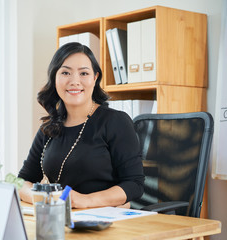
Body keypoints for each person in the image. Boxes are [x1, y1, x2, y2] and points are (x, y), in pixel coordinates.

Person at [18, 42, 144, 209]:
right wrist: (43, 198)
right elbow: (22, 180)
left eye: (84, 73)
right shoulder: (49, 128)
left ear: (95, 78)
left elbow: (134, 184)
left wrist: (85, 201)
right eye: (65, 73)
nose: (74, 81)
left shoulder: (115, 122)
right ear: (54, 78)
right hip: (64, 216)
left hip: (105, 220)